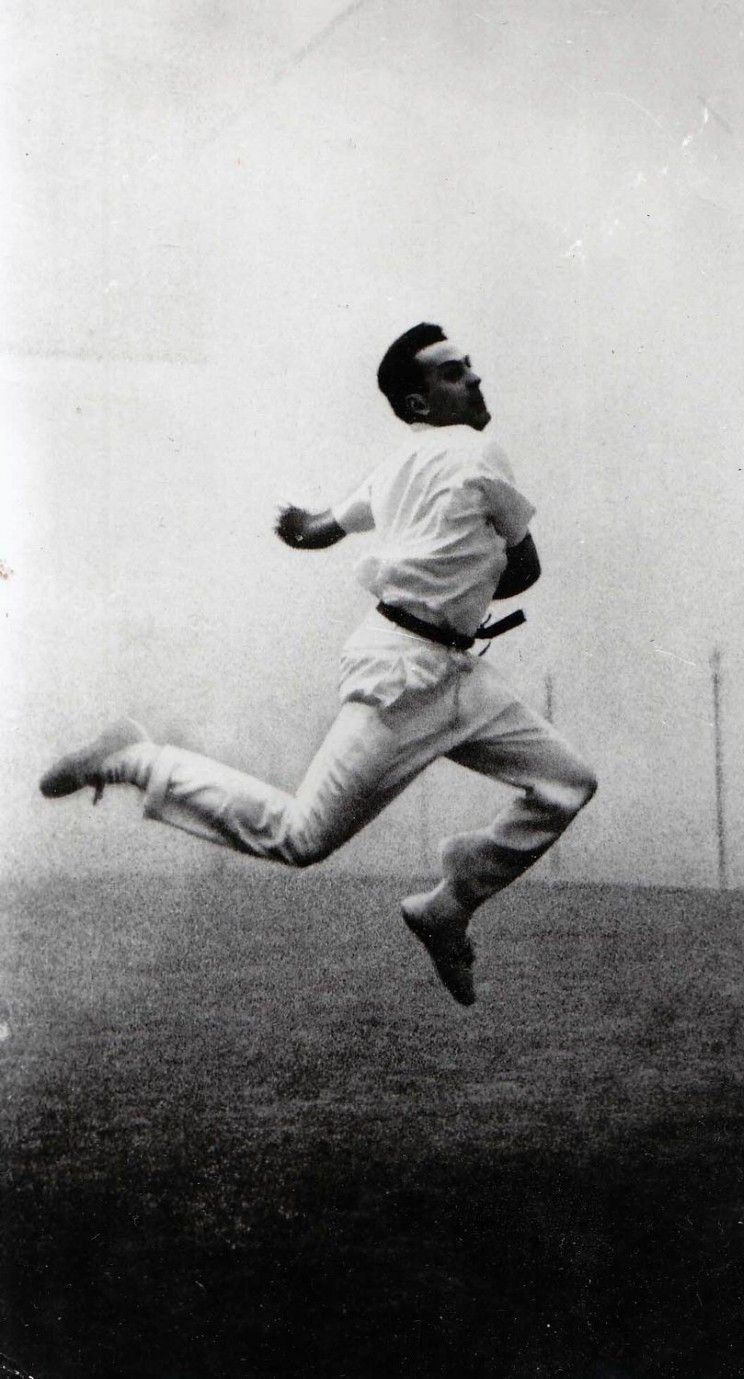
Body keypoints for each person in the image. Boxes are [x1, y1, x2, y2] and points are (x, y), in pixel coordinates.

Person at [39, 324, 597, 1006]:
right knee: (300, 836)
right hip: (405, 677)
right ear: (419, 406)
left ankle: (447, 906)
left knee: (566, 780)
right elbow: (527, 569)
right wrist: (472, 572)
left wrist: (307, 526)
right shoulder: (481, 450)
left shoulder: (393, 470)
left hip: (456, 674)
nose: (475, 379)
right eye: (454, 374)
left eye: (470, 366)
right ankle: (134, 758)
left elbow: (320, 528)